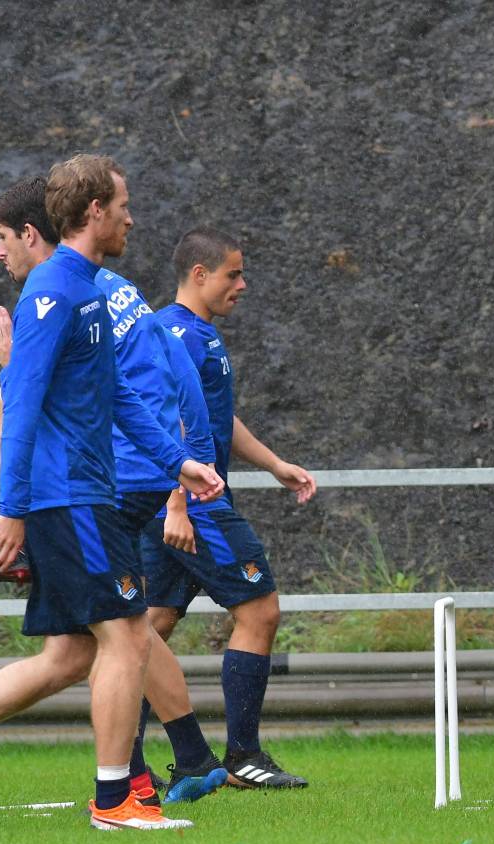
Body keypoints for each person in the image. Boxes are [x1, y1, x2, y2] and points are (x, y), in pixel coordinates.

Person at [0, 156, 224, 829]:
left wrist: (178, 461)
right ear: (94, 211)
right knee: (127, 636)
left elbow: (117, 393)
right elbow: (20, 403)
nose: (130, 218)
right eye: (122, 206)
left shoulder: (85, 288)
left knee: (74, 655)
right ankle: (116, 798)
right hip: (69, 500)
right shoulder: (51, 293)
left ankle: (127, 794)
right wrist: (12, 508)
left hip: (84, 495)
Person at [141, 227, 316, 789]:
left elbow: (216, 417)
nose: (242, 284)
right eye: (232, 274)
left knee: (146, 630)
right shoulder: (178, 335)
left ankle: (127, 767)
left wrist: (274, 463)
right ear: (199, 274)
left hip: (177, 505)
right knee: (260, 610)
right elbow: (166, 423)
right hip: (193, 505)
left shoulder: (197, 334)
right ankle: (243, 756)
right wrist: (178, 503)